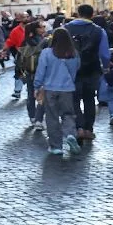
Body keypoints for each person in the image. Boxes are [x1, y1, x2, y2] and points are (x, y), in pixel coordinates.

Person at [33, 27, 81, 156]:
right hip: (67, 88)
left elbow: (41, 71)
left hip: (50, 89)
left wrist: (37, 86)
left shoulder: (47, 53)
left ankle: (56, 146)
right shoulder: (73, 53)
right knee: (68, 114)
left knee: (52, 117)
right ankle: (70, 134)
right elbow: (75, 70)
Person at [65, 5, 110, 141]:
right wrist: (106, 67)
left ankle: (78, 127)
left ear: (78, 13)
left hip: (71, 70)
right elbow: (105, 54)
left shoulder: (66, 28)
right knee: (89, 99)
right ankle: (88, 129)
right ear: (92, 14)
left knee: (74, 100)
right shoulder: (99, 30)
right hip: (92, 68)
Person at [15, 21, 46, 128]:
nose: (44, 28)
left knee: (30, 94)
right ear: (36, 29)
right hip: (41, 72)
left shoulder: (25, 41)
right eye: (42, 27)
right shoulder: (43, 41)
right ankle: (39, 118)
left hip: (29, 72)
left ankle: (32, 116)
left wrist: (20, 72)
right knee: (42, 95)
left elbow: (19, 59)